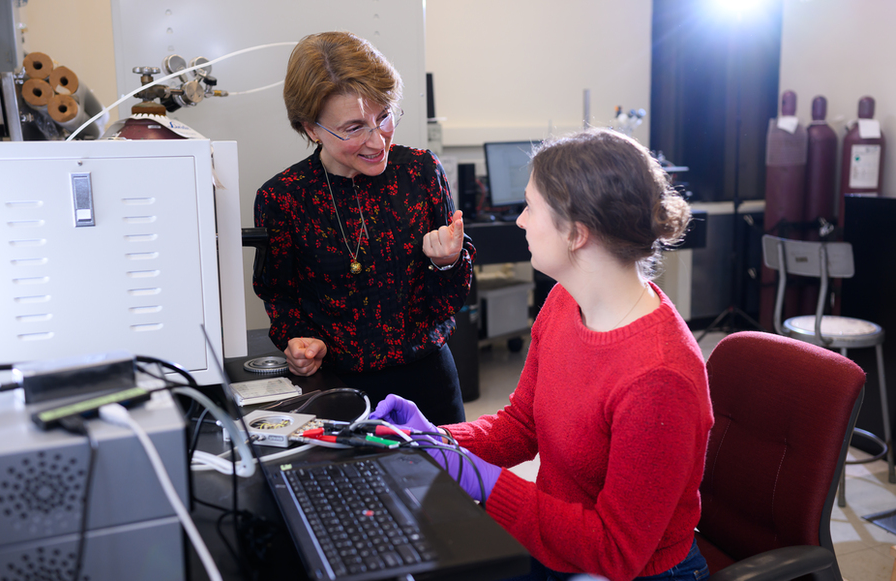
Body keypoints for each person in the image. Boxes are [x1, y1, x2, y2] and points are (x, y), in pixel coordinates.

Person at [371, 128, 714, 581]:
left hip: (633, 571)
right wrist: (438, 442)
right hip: (562, 543)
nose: (520, 221)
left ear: (576, 233)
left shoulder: (659, 376)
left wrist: (486, 483)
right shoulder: (563, 301)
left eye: (531, 207)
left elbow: (616, 552)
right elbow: (522, 425)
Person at [253, 31, 474, 425]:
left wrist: (448, 263)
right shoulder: (283, 198)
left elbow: (448, 303)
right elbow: (279, 296)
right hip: (336, 389)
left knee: (447, 486)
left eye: (384, 115)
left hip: (428, 380)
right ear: (310, 128)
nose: (378, 140)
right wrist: (300, 342)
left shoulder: (420, 172)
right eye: (354, 128)